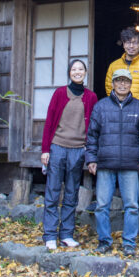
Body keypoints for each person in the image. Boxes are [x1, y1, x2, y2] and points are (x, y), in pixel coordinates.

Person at [86, 69, 139, 255]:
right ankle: (104, 241)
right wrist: (91, 158)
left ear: (131, 84)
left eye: (126, 81)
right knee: (101, 205)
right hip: (105, 163)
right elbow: (92, 135)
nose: (122, 85)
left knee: (131, 206)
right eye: (118, 81)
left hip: (130, 164)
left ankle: (129, 242)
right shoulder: (101, 106)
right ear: (112, 84)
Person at [40, 59, 98, 251]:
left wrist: (89, 151)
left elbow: (93, 128)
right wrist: (45, 150)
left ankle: (66, 234)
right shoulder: (59, 93)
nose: (77, 72)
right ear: (69, 72)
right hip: (58, 146)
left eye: (81, 69)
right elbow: (49, 121)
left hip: (78, 149)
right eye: (74, 69)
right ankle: (49, 235)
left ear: (86, 72)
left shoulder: (91, 97)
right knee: (53, 192)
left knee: (72, 193)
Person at [104, 27, 139, 103]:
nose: (131, 46)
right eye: (128, 42)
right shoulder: (113, 66)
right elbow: (109, 88)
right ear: (124, 44)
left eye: (135, 43)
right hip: (118, 108)